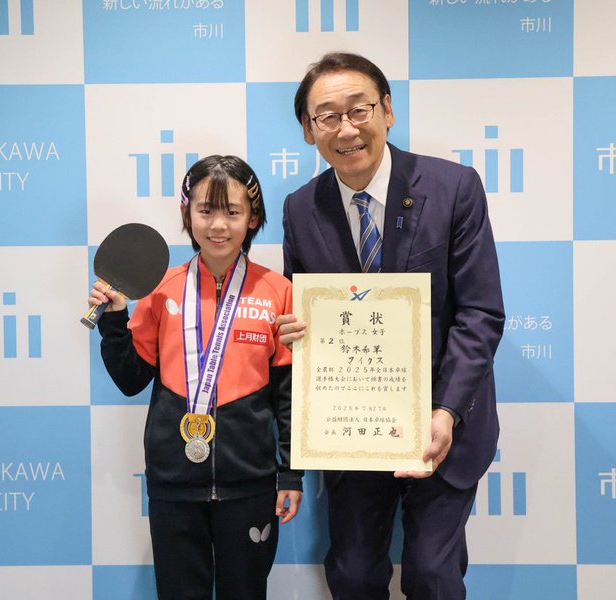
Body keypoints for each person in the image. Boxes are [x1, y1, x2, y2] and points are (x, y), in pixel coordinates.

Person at [277, 53, 504, 599]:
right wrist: (295, 332)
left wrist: (445, 412)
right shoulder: (300, 208)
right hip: (352, 427)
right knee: (352, 575)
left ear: (388, 111)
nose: (347, 128)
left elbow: (481, 313)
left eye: (360, 109)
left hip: (443, 425)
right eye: (326, 116)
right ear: (309, 131)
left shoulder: (453, 187)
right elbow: (305, 312)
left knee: (431, 573)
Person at [89, 155, 303, 600]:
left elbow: (287, 397)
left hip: (251, 482)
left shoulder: (278, 290)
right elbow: (131, 379)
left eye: (233, 211)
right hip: (174, 482)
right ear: (187, 214)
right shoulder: (161, 290)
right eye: (206, 210)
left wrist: (291, 476)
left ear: (253, 217)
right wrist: (114, 320)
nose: (218, 225)